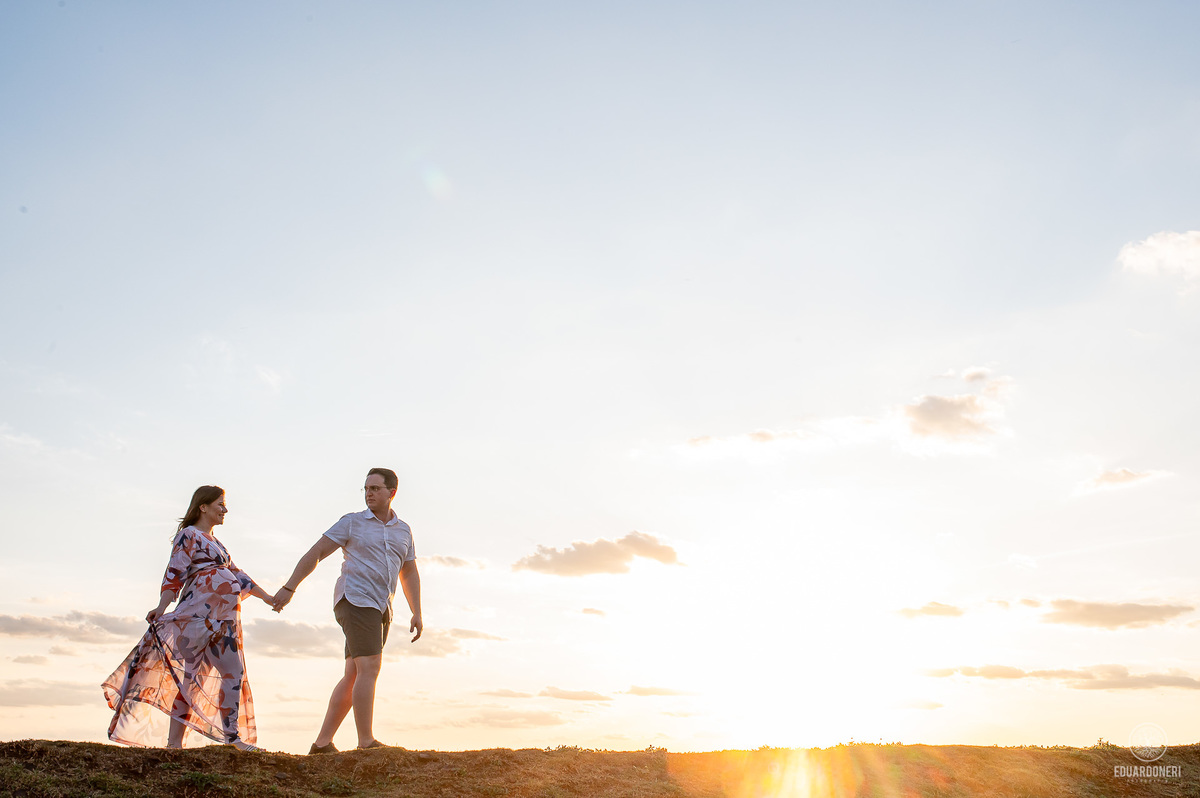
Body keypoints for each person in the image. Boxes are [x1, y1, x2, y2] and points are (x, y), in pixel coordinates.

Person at [102, 486, 275, 750]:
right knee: (193, 679)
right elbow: (175, 571)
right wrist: (162, 606)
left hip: (223, 620)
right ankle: (175, 744)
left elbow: (238, 575)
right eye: (220, 504)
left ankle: (232, 739)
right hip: (197, 618)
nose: (225, 509)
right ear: (203, 507)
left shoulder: (217, 543)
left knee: (233, 672)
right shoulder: (189, 535)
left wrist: (269, 598)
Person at [272, 467, 422, 753]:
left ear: (392, 492)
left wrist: (417, 611)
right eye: (366, 489)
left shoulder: (404, 530)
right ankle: (366, 741)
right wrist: (289, 587)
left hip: (381, 606)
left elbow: (409, 571)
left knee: (354, 673)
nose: (369, 493)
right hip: (355, 600)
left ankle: (322, 744)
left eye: (375, 488)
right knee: (370, 667)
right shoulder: (352, 523)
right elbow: (316, 552)